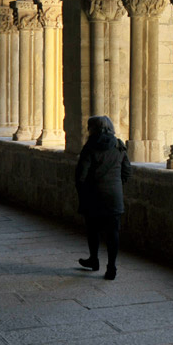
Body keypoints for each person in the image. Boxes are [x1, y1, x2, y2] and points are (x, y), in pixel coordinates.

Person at [75, 116, 132, 280]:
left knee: (93, 231)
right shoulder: (119, 145)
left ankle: (94, 260)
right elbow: (127, 171)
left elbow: (81, 176)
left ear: (92, 129)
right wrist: (116, 185)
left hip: (93, 196)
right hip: (114, 197)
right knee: (113, 233)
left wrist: (83, 192)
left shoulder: (90, 147)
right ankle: (111, 268)